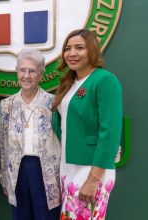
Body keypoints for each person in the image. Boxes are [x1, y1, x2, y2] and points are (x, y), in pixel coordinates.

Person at [52, 29, 122, 219]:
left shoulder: (104, 80)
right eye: (68, 48)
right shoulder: (69, 83)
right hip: (68, 167)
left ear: (92, 50)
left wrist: (93, 179)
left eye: (79, 48)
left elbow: (110, 133)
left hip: (91, 169)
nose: (72, 53)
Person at [0, 49, 61, 220]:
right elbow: (2, 142)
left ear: (40, 75)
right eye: (22, 70)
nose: (26, 75)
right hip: (16, 171)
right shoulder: (6, 105)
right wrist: (4, 177)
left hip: (45, 172)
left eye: (32, 71)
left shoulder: (54, 103)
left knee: (46, 216)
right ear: (17, 72)